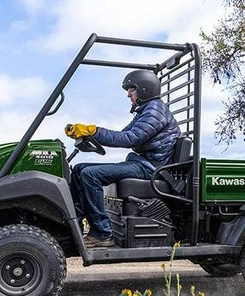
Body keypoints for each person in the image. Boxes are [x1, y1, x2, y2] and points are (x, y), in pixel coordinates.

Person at [66, 70, 181, 248]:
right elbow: (122, 135)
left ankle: (102, 233)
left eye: (131, 89)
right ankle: (73, 225)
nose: (128, 94)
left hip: (151, 168)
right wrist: (90, 133)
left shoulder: (155, 111)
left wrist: (93, 131)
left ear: (144, 89)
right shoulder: (145, 111)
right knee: (80, 168)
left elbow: (130, 139)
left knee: (91, 175)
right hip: (141, 163)